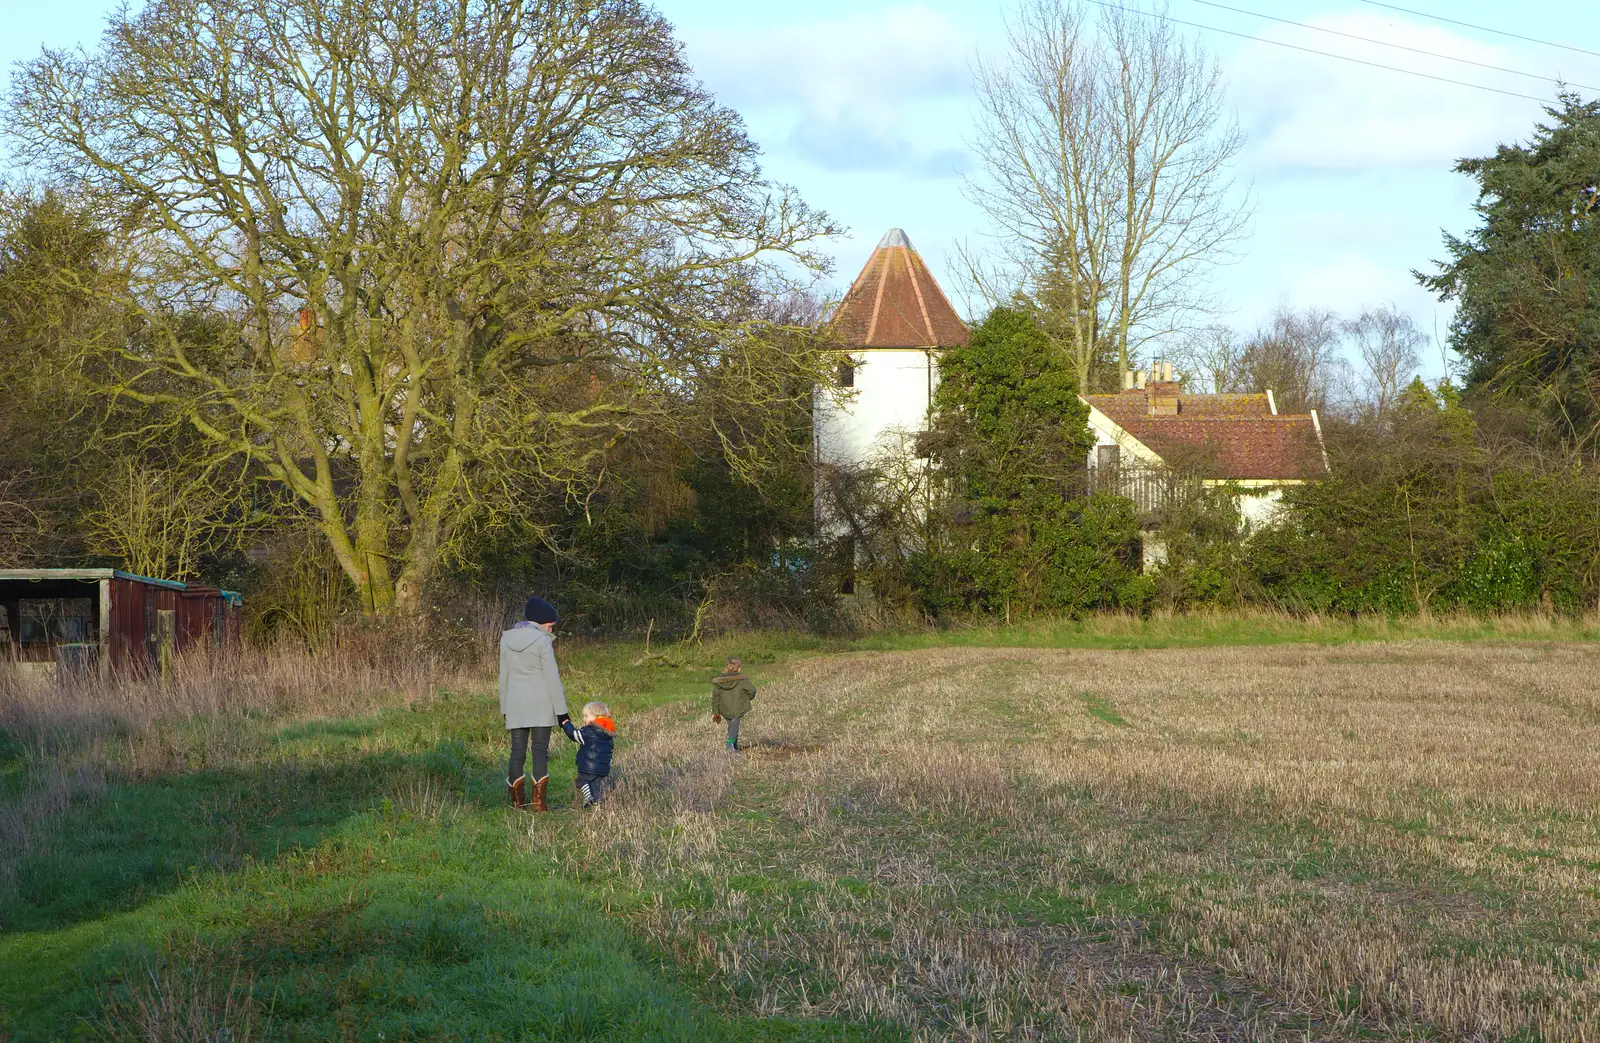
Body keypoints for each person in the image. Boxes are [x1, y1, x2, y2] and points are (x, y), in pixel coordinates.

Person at [500, 596, 571, 812]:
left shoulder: (506, 640)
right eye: (550, 624)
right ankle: (540, 805)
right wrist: (563, 714)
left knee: (517, 753)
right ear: (541, 622)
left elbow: (504, 676)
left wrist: (504, 708)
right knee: (539, 751)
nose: (552, 628)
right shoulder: (542, 642)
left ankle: (517, 804)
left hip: (515, 703)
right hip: (541, 703)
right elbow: (552, 679)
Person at [561, 700, 616, 808]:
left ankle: (589, 797)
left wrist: (566, 724)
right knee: (596, 785)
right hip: (603, 768)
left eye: (586, 716)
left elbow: (574, 734)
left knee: (581, 782)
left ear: (595, 717)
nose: (584, 719)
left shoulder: (590, 731)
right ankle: (597, 800)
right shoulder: (608, 734)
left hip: (589, 767)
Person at [710, 656, 757, 752]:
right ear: (739, 667)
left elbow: (715, 697)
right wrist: (746, 699)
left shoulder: (719, 680)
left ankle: (734, 746)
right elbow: (752, 691)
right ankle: (730, 748)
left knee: (732, 727)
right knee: (734, 727)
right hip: (738, 707)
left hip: (724, 708)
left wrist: (716, 711)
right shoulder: (742, 680)